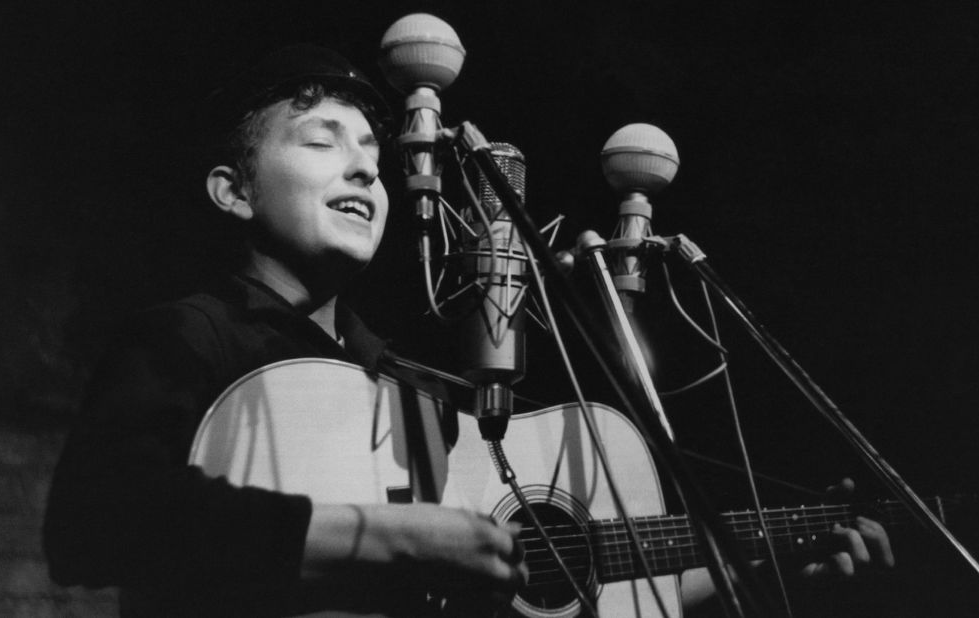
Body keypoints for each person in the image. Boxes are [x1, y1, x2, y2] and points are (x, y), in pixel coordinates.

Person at [43, 43, 892, 617]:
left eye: (373, 152)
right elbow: (96, 521)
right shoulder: (191, 335)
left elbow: (548, 570)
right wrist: (395, 540)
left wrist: (763, 558)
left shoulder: (409, 382)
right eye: (320, 141)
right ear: (232, 191)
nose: (363, 165)